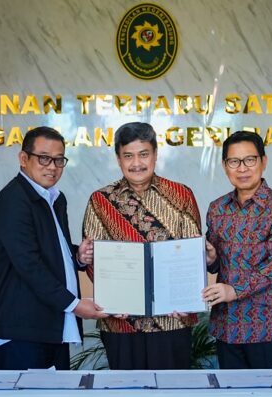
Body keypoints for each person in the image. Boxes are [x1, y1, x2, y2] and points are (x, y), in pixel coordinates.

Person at [82, 122, 202, 370]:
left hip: (173, 319)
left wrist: (185, 295)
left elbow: (191, 254)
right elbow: (94, 260)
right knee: (125, 390)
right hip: (121, 321)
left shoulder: (181, 195)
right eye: (128, 156)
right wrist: (113, 298)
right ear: (118, 159)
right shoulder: (101, 200)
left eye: (144, 154)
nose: (136, 163)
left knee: (171, 391)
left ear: (155, 154)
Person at [0, 127, 107, 370]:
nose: (52, 167)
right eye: (44, 158)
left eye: (58, 159)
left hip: (51, 326)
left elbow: (50, 249)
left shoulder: (54, 198)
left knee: (57, 395)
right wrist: (75, 305)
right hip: (23, 330)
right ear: (24, 159)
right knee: (26, 396)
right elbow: (29, 265)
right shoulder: (13, 200)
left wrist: (77, 256)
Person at [202, 131, 272, 369]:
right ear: (225, 166)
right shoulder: (217, 209)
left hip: (270, 327)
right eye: (234, 161)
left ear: (263, 161)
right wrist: (211, 258)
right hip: (227, 326)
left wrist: (234, 290)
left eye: (250, 160)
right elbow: (216, 263)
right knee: (232, 393)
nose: (242, 168)